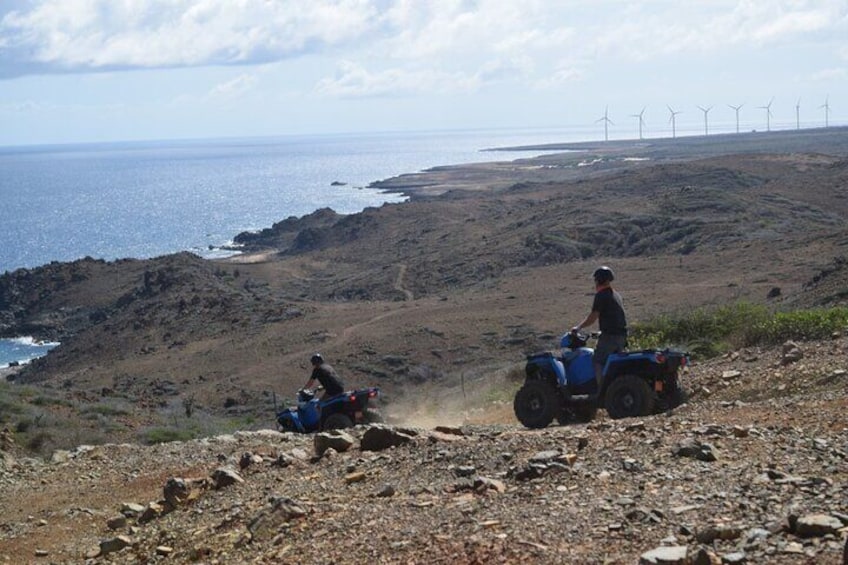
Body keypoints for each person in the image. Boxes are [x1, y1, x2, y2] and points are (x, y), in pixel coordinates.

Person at [571, 266, 628, 391]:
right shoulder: (616, 294)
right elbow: (613, 316)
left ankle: (602, 391)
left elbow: (593, 317)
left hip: (610, 337)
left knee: (597, 361)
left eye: (595, 280)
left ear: (599, 280)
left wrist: (578, 327)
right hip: (621, 336)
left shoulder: (601, 295)